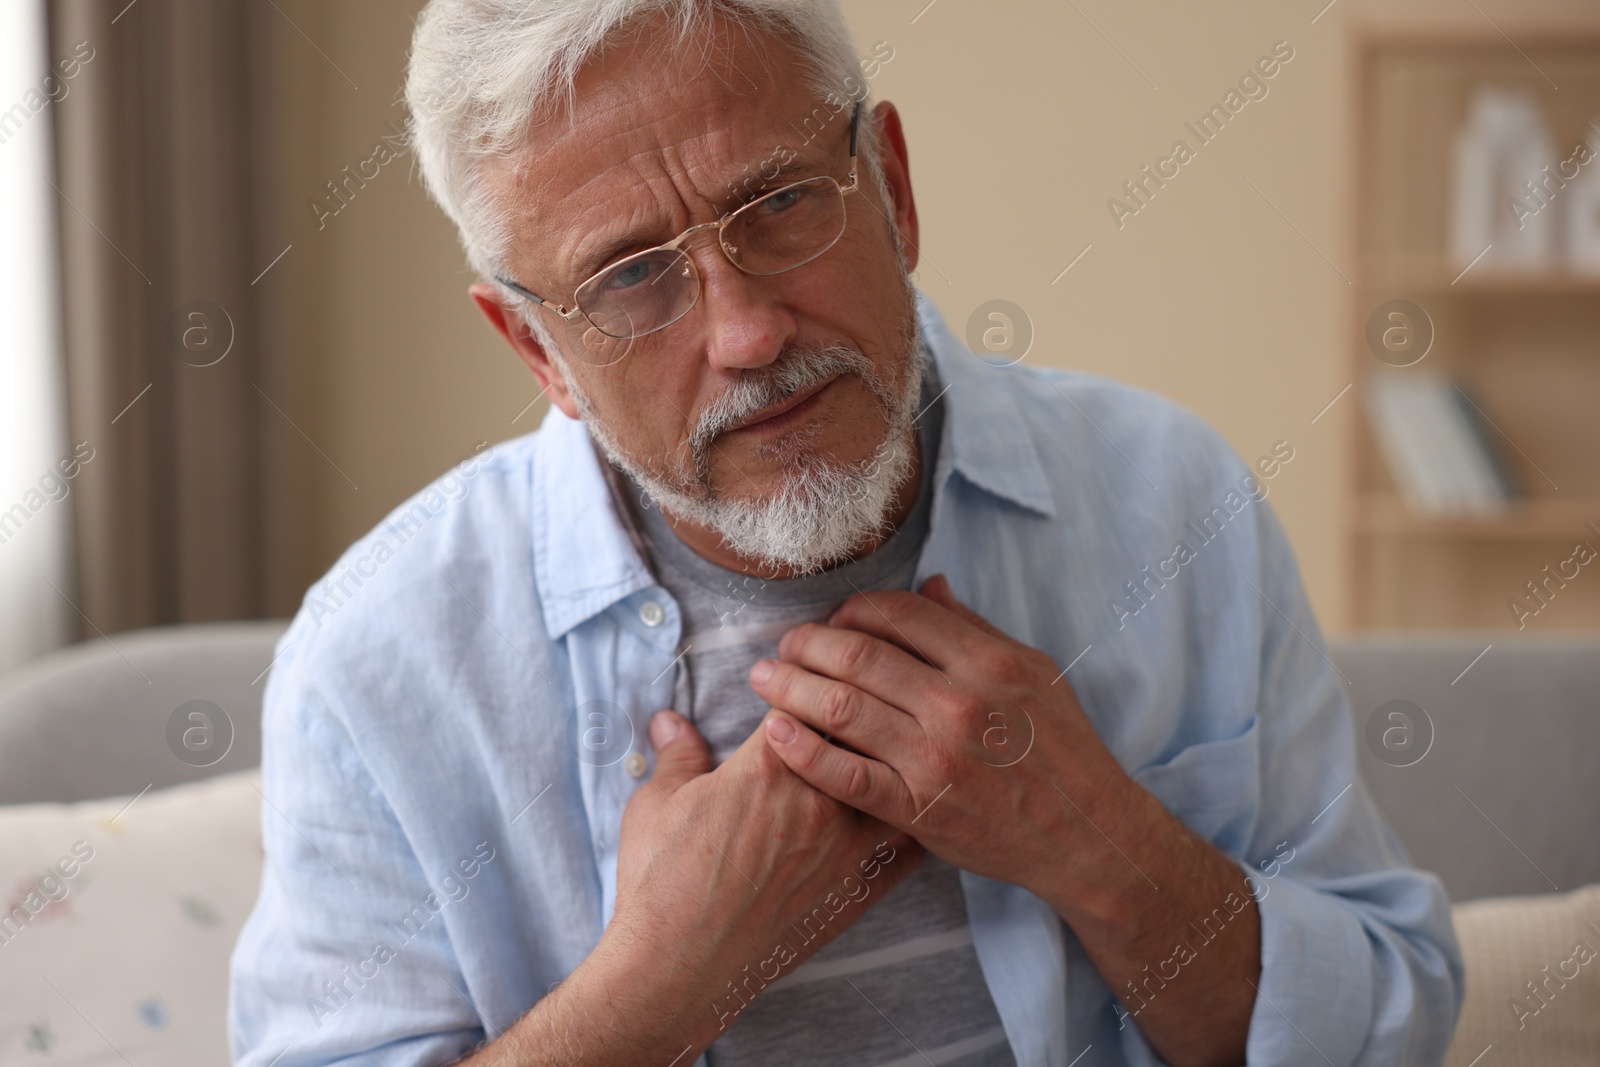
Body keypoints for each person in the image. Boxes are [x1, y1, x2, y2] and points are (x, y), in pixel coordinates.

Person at [228, 2, 1463, 1065]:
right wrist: (653, 989)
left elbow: (1392, 1018)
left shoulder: (1171, 500)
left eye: (776, 204)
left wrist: (1105, 849)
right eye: (630, 279)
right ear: (537, 349)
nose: (748, 331)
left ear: (893, 188)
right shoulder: (370, 663)